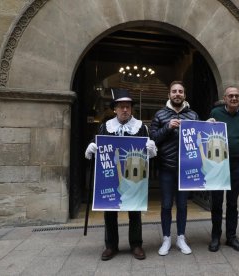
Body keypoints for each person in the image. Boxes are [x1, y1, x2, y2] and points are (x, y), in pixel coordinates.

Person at [85, 88, 157, 261]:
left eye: (128, 106)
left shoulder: (141, 128)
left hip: (135, 177)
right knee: (110, 211)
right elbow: (97, 145)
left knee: (135, 210)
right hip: (111, 176)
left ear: (131, 109)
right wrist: (91, 147)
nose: (125, 110)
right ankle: (111, 245)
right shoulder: (105, 126)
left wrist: (152, 149)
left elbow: (150, 153)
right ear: (115, 109)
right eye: (121, 106)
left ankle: (136, 244)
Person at [150, 81, 199, 256]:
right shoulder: (160, 114)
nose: (177, 94)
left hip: (186, 169)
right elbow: (153, 139)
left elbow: (200, 139)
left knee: (183, 205)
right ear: (169, 94)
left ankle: (180, 238)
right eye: (174, 91)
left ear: (184, 95)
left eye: (180, 91)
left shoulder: (193, 115)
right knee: (165, 205)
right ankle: (166, 239)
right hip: (166, 167)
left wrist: (209, 125)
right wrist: (168, 126)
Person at [208, 86, 239, 252]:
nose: (234, 98)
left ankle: (231, 237)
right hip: (217, 164)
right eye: (231, 96)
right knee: (217, 202)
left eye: (237, 96)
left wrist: (235, 149)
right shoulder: (216, 113)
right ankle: (215, 236)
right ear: (224, 98)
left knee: (232, 203)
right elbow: (207, 134)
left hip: (235, 164)